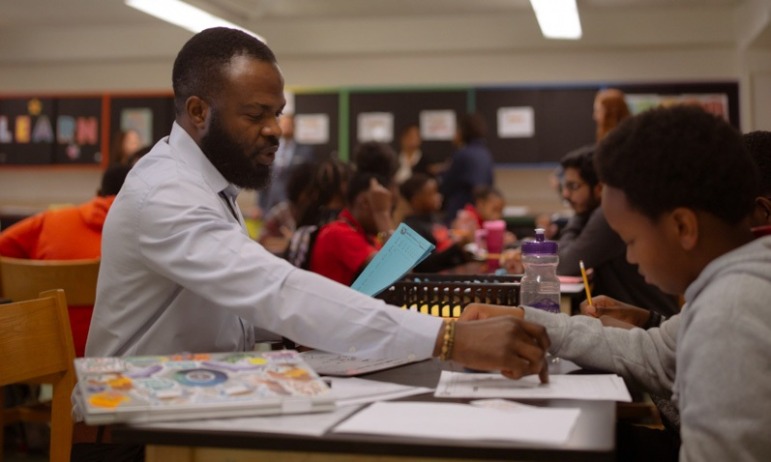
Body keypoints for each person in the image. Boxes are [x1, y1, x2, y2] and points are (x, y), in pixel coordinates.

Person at [86, 28, 550, 386]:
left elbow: (239, 313)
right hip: (131, 423)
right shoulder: (165, 194)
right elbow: (276, 291)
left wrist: (311, 328)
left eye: (277, 114)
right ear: (198, 111)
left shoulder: (207, 186)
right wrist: (451, 338)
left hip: (194, 393)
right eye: (255, 114)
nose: (275, 130)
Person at [461, 105, 771, 461]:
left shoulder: (731, 312)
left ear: (683, 227)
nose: (631, 257)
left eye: (632, 240)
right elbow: (656, 353)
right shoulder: (730, 285)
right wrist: (525, 319)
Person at [0, 164, 131, 356]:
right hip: (113, 357)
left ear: (97, 193)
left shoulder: (51, 220)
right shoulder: (150, 235)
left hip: (35, 355)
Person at [555, 146, 678, 316]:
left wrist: (576, 216)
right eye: (564, 187)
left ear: (599, 189)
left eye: (573, 186)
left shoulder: (606, 216)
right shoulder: (598, 212)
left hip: (650, 324)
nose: (566, 194)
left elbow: (565, 264)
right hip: (635, 320)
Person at [308, 142, 397, 285]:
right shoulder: (338, 233)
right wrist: (382, 214)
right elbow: (395, 275)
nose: (390, 217)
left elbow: (407, 276)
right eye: (388, 209)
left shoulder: (368, 237)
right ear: (365, 202)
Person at [400, 173, 471, 272]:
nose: (439, 196)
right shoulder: (411, 228)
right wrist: (457, 247)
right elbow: (424, 265)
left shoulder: (436, 219)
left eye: (437, 192)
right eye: (432, 193)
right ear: (416, 200)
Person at [440, 113, 494, 224]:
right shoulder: (485, 153)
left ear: (462, 132)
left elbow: (446, 185)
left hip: (460, 212)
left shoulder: (461, 154)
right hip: (479, 212)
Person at [257, 113, 315, 214]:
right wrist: (259, 205)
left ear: (294, 126)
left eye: (289, 124)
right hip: (270, 205)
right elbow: (262, 176)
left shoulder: (305, 151)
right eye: (283, 124)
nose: (286, 127)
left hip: (294, 207)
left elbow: (310, 180)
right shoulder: (269, 149)